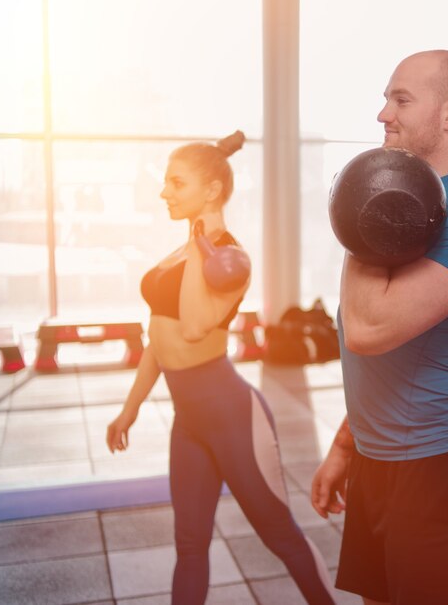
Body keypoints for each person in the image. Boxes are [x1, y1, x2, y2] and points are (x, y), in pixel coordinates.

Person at [311, 50, 448, 605]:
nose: (384, 113)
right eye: (386, 98)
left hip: (439, 468)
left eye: (401, 99)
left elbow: (368, 328)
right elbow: (388, 363)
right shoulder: (408, 205)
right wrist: (345, 446)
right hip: (380, 459)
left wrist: (364, 206)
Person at [107, 131, 336, 605]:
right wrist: (129, 409)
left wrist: (199, 242)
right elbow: (159, 341)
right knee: (189, 546)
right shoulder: (180, 254)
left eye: (176, 183)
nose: (164, 192)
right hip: (189, 422)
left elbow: (192, 328)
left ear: (211, 190)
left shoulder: (232, 260)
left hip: (234, 418)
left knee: (281, 537)